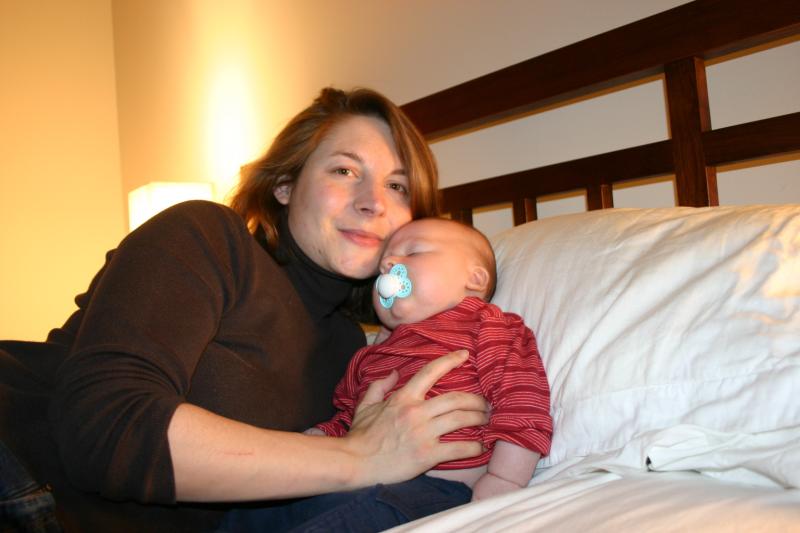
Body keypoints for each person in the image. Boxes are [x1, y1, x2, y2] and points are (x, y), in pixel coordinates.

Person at [0, 88, 490, 532]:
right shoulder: (209, 236)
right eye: (344, 171)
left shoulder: (351, 350)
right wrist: (357, 456)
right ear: (284, 185)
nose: (373, 203)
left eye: (397, 187)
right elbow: (111, 429)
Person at [220, 218, 552, 532]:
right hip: (358, 474)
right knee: (257, 511)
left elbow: (521, 400)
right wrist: (320, 436)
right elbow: (351, 418)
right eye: (383, 264)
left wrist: (505, 479)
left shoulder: (489, 327)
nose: (389, 264)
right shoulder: (369, 355)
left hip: (437, 488)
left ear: (475, 279)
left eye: (413, 252)